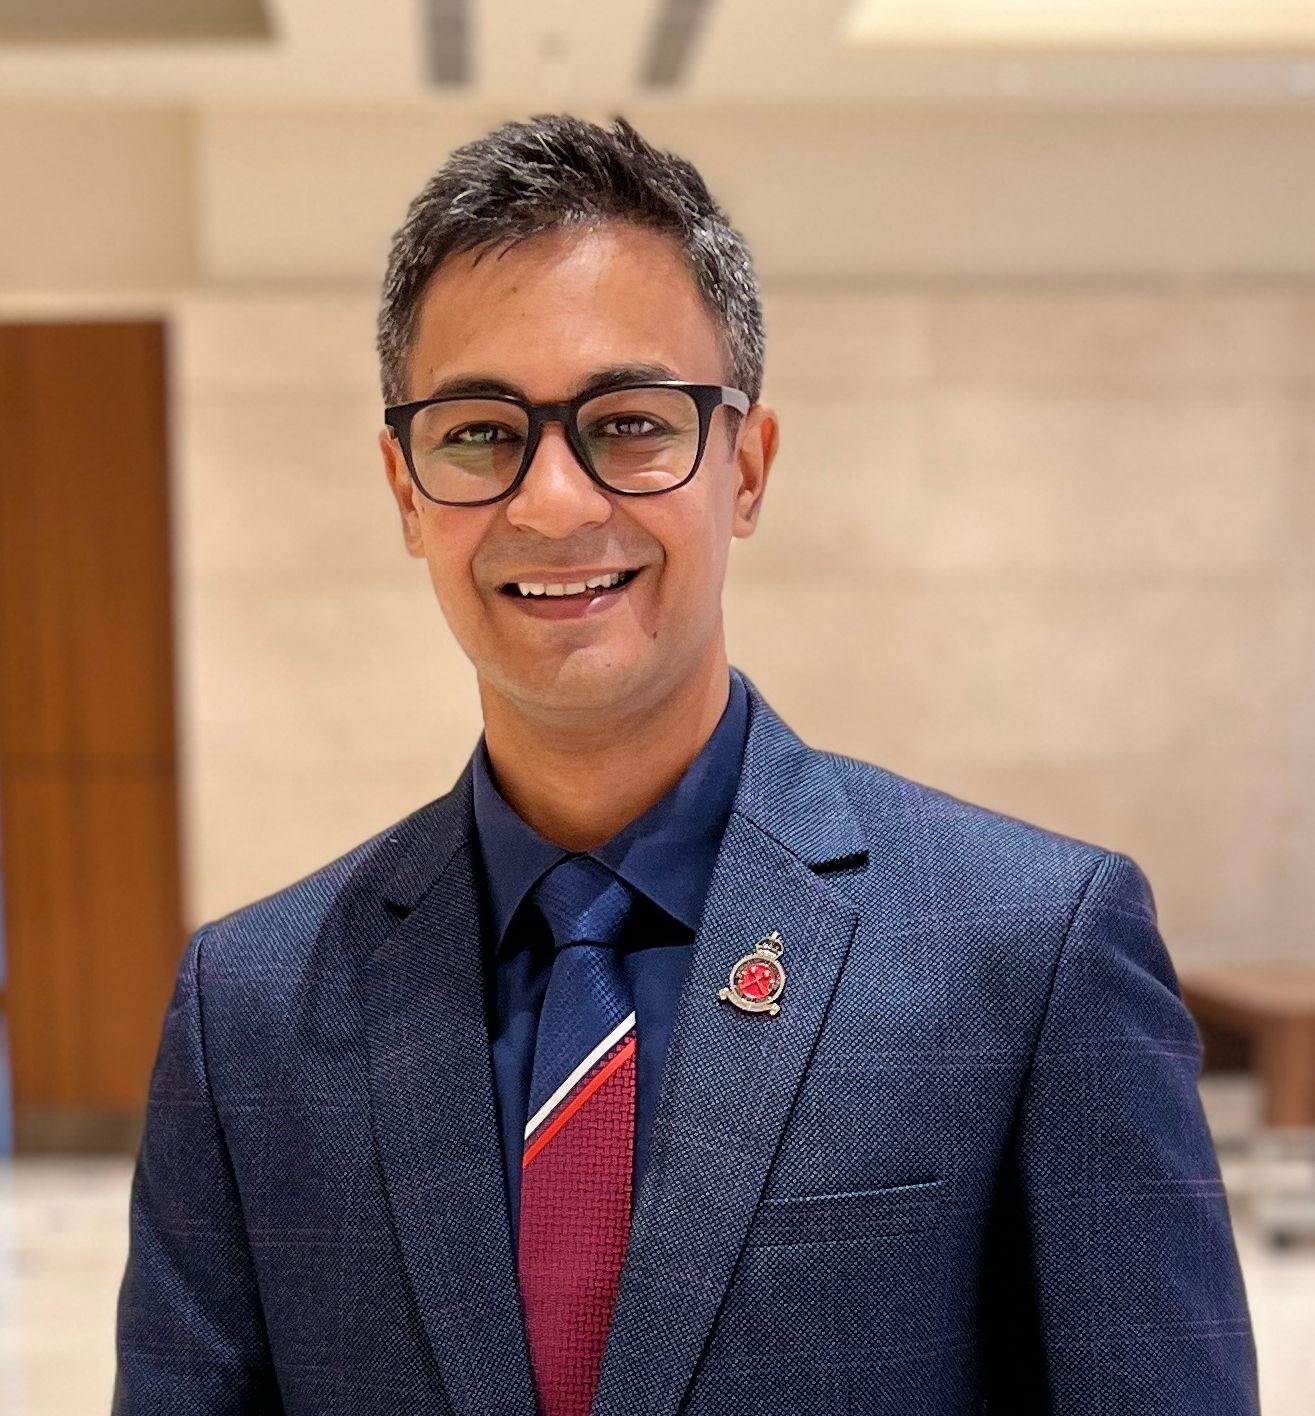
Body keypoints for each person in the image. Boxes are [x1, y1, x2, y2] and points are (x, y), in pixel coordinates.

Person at [114, 113, 1260, 1416]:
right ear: (405, 489)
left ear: (748, 469)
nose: (553, 501)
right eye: (479, 432)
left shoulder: (1030, 953)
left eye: (631, 422)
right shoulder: (249, 1012)